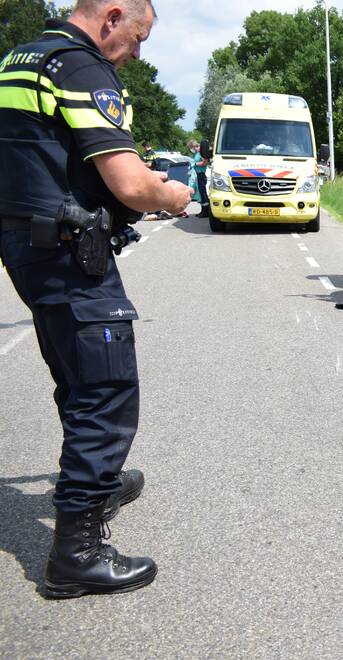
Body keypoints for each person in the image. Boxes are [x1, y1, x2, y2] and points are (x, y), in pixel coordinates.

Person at [0, 0, 192, 598]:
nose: (137, 53)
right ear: (111, 16)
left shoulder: (16, 60)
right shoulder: (78, 67)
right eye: (137, 37)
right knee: (105, 389)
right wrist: (172, 195)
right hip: (67, 249)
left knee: (75, 374)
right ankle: (77, 551)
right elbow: (131, 185)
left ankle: (99, 482)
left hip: (26, 245)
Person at [187, 139, 210, 218]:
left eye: (191, 148)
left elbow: (205, 162)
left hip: (201, 175)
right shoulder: (197, 153)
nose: (191, 150)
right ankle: (203, 210)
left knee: (203, 194)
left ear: (194, 146)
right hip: (198, 174)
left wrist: (195, 164)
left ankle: (206, 211)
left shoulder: (202, 152)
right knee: (201, 194)